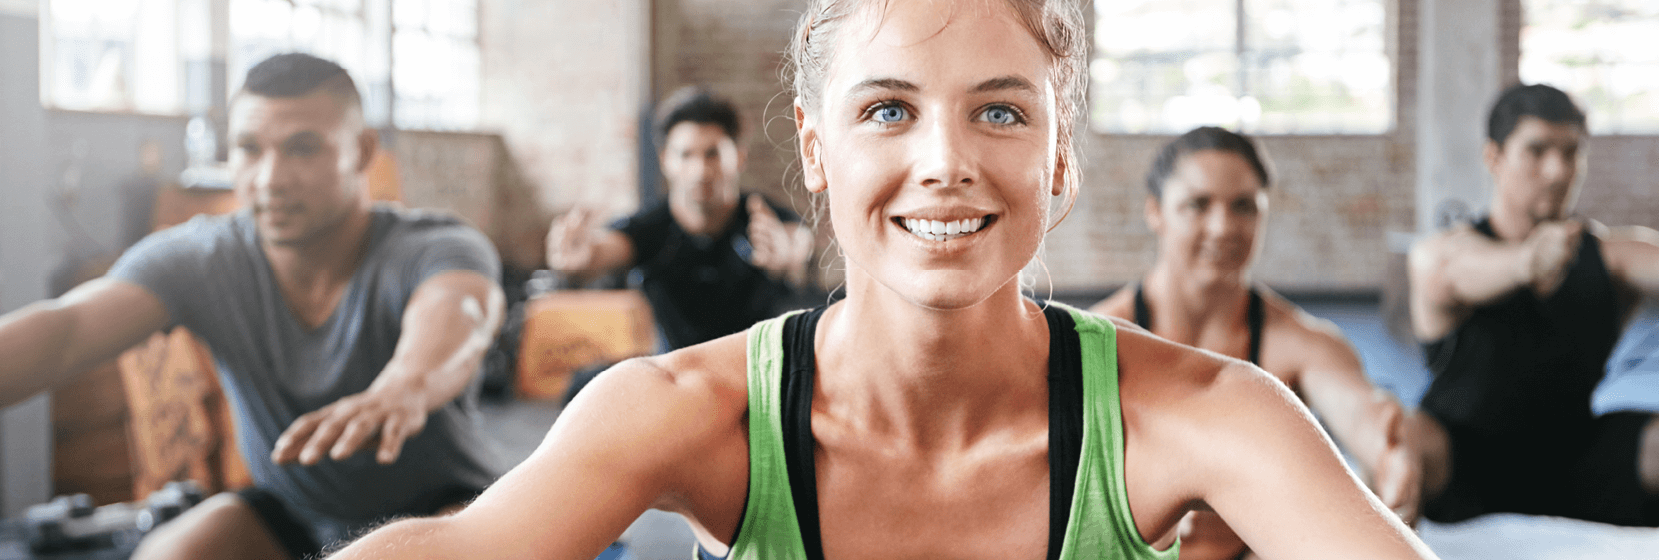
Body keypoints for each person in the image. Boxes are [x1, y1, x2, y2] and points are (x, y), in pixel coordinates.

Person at [328, 1, 1437, 559]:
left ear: (1058, 156)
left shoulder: (1208, 414)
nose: (946, 159)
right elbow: (453, 549)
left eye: (999, 110)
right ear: (815, 148)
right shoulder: (682, 412)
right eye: (888, 109)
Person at [0, 53, 506, 560]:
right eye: (248, 149)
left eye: (302, 149)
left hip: (447, 510)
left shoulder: (433, 245)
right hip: (289, 512)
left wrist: (406, 386)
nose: (270, 178)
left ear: (362, 150)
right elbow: (66, 332)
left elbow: (462, 311)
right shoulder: (201, 258)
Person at [1089, 126, 1421, 560]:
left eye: (1243, 206)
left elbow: (1357, 410)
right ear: (1156, 212)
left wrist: (1388, 454)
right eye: (1198, 204)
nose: (1224, 226)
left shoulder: (1302, 343)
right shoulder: (1098, 338)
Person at [1405, 82, 1659, 553]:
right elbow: (1448, 271)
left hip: (1574, 455)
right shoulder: (1445, 253)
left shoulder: (1609, 257)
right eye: (1536, 151)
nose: (1556, 171)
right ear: (1494, 157)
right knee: (1396, 441)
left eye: (1571, 153)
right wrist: (1526, 262)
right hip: (1464, 461)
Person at [546, 86, 814, 351]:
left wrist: (786, 253)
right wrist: (586, 254)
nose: (700, 170)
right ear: (665, 160)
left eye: (713, 154)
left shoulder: (763, 220)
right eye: (686, 155)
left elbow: (799, 239)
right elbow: (610, 247)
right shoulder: (651, 228)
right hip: (678, 379)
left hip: (759, 375)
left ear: (739, 157)